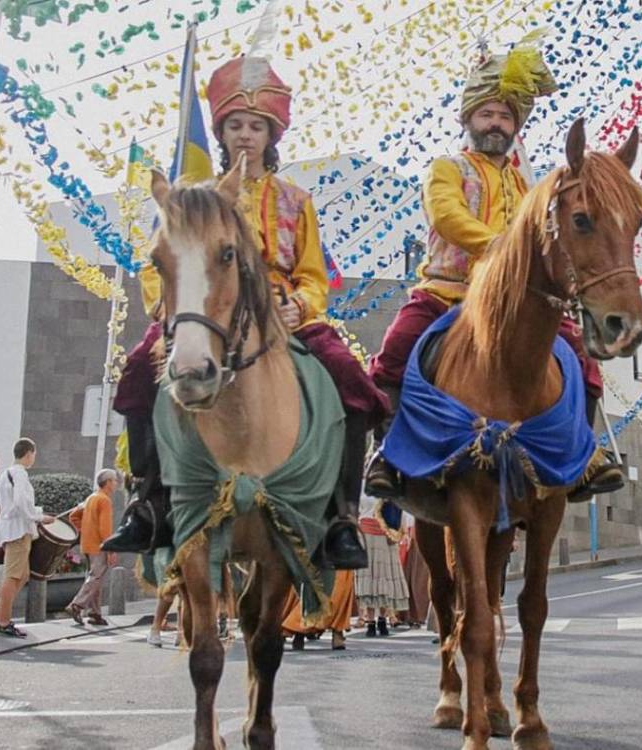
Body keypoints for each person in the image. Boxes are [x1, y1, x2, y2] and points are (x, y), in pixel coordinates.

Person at [365, 40, 622, 502]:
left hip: (513, 300)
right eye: (486, 114)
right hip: (448, 292)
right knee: (394, 351)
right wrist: (499, 248)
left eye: (505, 116)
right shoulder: (447, 168)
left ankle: (585, 455)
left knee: (581, 357)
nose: (496, 124)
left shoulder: (526, 186)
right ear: (468, 119)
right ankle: (386, 453)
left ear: (516, 126)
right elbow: (447, 216)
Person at [196, 53, 390, 570]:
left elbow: (312, 274)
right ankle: (149, 502)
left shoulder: (296, 200)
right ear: (221, 132)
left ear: (271, 135)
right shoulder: (199, 199)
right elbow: (169, 264)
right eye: (235, 125)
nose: (245, 135)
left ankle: (342, 515)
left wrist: (298, 304)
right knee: (139, 374)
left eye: (255, 126)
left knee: (354, 383)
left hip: (285, 315)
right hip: (213, 315)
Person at [0, 438, 54, 637]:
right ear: (29, 453)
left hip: (11, 529)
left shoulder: (7, 473)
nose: (34, 458)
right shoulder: (20, 473)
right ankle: (4, 621)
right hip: (18, 530)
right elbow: (20, 502)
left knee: (22, 574)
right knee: (13, 576)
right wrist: (39, 517)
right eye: (34, 454)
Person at [68, 468, 118, 626]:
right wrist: (111, 550)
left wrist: (86, 530)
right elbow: (105, 529)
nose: (116, 484)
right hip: (99, 546)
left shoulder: (91, 498)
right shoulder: (104, 500)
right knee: (96, 577)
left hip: (87, 544)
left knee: (95, 578)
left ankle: (95, 613)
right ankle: (77, 604)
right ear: (108, 482)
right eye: (114, 480)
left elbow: (73, 516)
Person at [355, 496, 410, 637]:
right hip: (366, 533)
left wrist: (401, 532)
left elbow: (399, 510)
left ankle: (382, 620)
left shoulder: (388, 489)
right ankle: (371, 622)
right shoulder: (362, 488)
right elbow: (355, 511)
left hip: (386, 534)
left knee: (385, 578)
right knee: (370, 579)